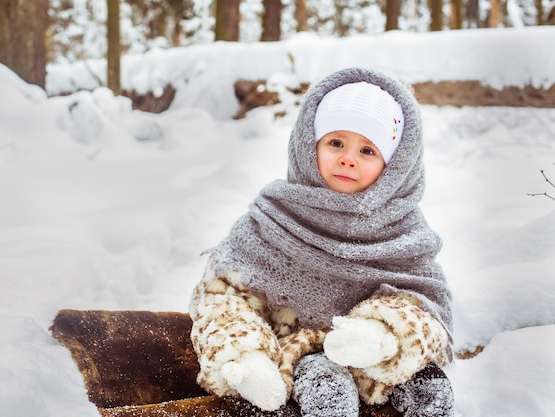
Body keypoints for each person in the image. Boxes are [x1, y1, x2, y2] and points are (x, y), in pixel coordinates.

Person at [188, 67, 454, 417]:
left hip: (375, 361)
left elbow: (423, 306)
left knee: (427, 384)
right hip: (296, 357)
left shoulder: (402, 231)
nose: (348, 158)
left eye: (368, 151)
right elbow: (223, 300)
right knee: (324, 387)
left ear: (394, 166)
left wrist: (382, 335)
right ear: (308, 143)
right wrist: (246, 357)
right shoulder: (271, 221)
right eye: (336, 143)